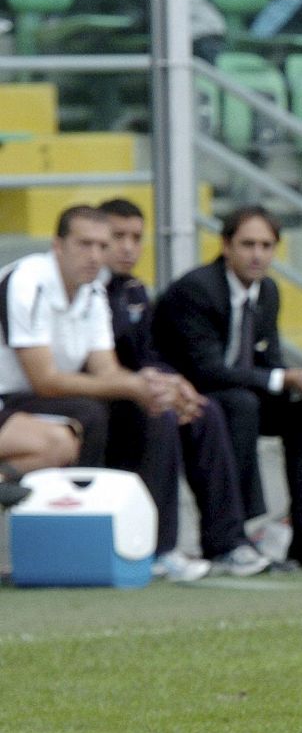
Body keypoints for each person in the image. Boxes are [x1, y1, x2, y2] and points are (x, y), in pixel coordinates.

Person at [0, 206, 221, 577]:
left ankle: (155, 547)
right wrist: (135, 385)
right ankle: (81, 541)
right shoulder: (29, 280)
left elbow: (106, 369)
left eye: (101, 246)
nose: (94, 255)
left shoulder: (93, 292)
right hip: (14, 395)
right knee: (88, 416)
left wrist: (152, 387)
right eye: (84, 244)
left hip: (29, 401)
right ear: (57, 245)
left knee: (151, 412)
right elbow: (45, 380)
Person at [152, 206, 302, 571]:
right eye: (248, 244)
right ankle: (232, 538)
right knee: (240, 405)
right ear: (225, 245)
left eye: (266, 246)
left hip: (235, 393)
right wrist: (286, 377)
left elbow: (270, 362)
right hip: (188, 396)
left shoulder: (267, 292)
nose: (257, 254)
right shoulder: (197, 290)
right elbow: (207, 371)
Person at [99, 199, 273, 578]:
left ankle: (227, 542)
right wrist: (157, 386)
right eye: (117, 237)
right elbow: (95, 364)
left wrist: (176, 383)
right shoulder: (88, 292)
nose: (128, 247)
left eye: (136, 238)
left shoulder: (133, 292)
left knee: (204, 410)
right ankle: (160, 547)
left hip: (133, 390)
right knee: (161, 410)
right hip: (101, 397)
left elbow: (147, 355)